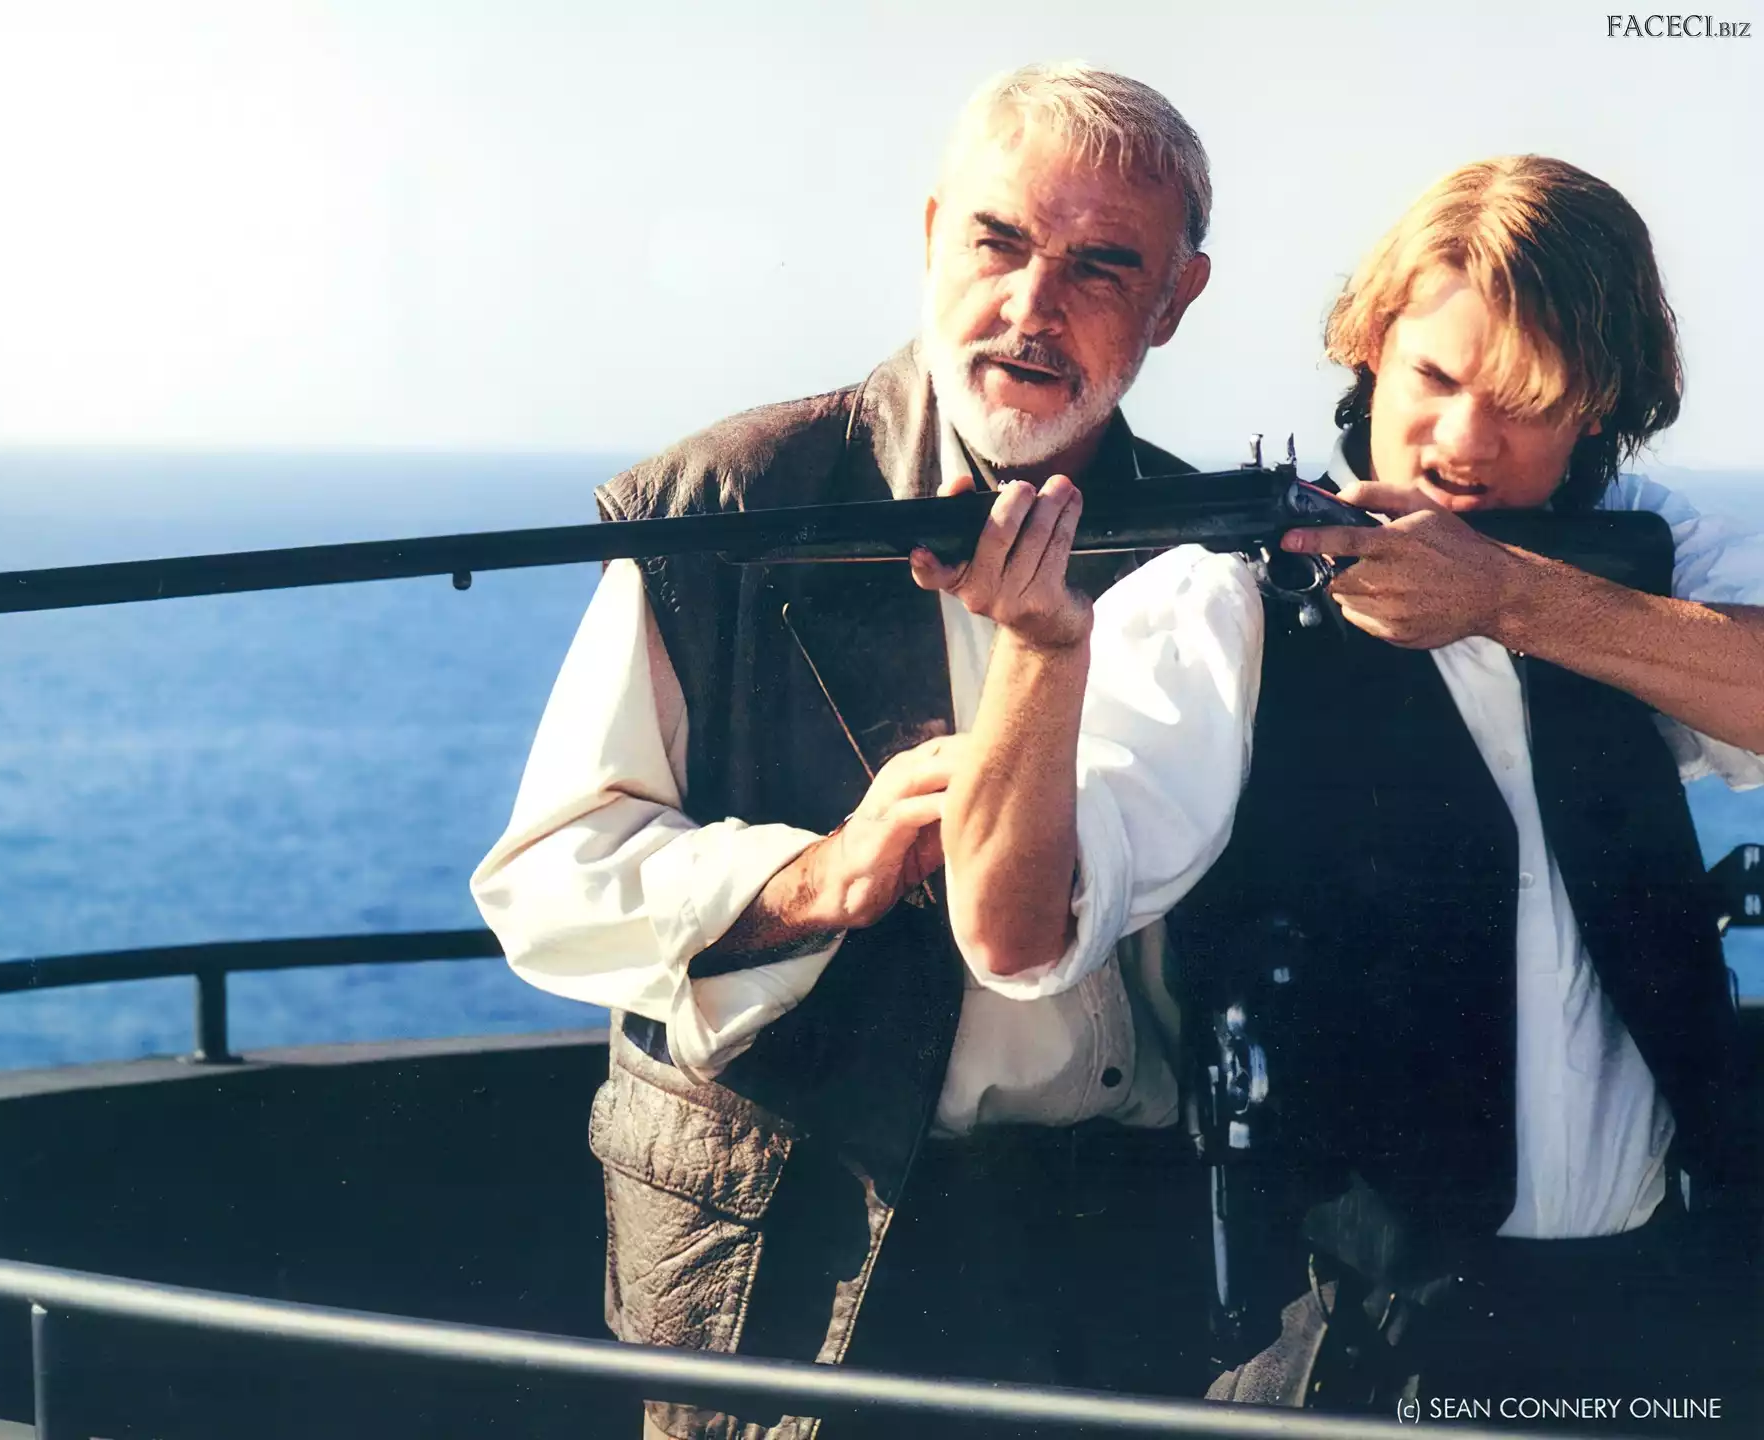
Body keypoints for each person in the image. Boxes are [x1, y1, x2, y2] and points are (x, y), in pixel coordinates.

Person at [472, 62, 1219, 1440]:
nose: (1032, 306)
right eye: (998, 241)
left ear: (1176, 301)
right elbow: (547, 882)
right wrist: (815, 877)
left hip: (1116, 1249)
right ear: (932, 234)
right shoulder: (723, 504)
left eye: (1102, 267)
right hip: (785, 1251)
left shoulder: (1203, 549)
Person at [1008, 154, 1759, 1424]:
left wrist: (1513, 599)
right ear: (1370, 349)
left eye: (1527, 401)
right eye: (1436, 379)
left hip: (1664, 1300)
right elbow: (1034, 934)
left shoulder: (1650, 546)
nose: (1466, 442)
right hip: (1363, 1338)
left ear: (1604, 409)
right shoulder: (1226, 598)